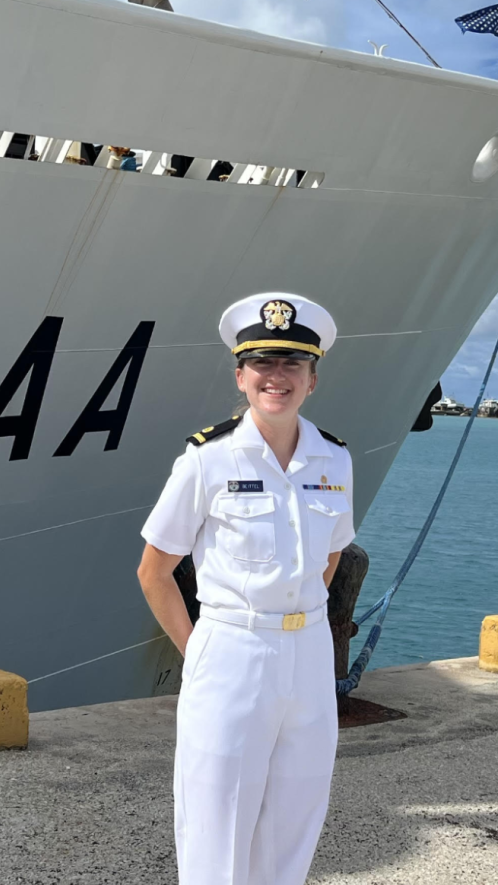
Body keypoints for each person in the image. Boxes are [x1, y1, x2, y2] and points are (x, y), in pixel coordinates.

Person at [137, 293, 354, 885]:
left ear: (312, 379)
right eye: (262, 364)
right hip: (231, 653)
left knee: (296, 818)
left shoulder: (334, 459)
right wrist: (201, 651)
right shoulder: (207, 459)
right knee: (216, 824)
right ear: (241, 375)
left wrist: (296, 618)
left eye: (292, 365)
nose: (276, 377)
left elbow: (330, 557)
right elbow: (154, 572)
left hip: (308, 656)